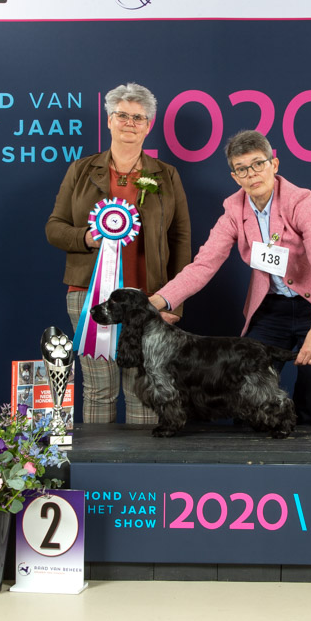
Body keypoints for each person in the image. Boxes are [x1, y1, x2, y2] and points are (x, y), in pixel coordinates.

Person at [149, 130, 311, 425]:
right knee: (245, 391)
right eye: (242, 169)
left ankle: (305, 447)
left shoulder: (300, 201)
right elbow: (203, 265)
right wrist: (156, 302)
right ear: (235, 177)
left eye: (258, 164)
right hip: (272, 307)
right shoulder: (233, 210)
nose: (251, 174)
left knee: (310, 391)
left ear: (274, 164)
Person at [46, 83, 191, 424]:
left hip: (151, 298)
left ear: (148, 126)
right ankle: (98, 461)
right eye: (122, 115)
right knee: (99, 390)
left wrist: (174, 301)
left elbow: (181, 239)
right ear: (109, 120)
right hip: (89, 295)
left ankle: (143, 461)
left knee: (144, 388)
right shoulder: (80, 170)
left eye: (138, 117)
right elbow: (54, 227)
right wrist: (87, 237)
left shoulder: (167, 175)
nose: (130, 123)